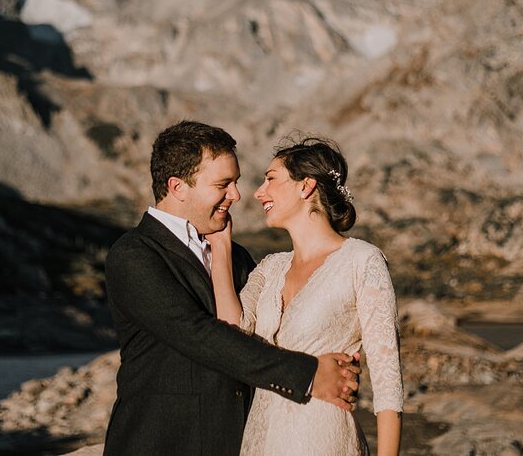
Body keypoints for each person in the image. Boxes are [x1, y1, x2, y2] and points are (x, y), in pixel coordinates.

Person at [103, 121, 360, 456]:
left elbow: (267, 328)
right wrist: (310, 374)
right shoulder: (134, 255)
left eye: (236, 182)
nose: (236, 195)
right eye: (223, 184)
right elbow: (197, 334)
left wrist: (342, 353)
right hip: (163, 443)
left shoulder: (237, 255)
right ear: (177, 187)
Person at [210, 137, 403, 456]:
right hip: (261, 441)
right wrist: (220, 247)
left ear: (306, 186)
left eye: (270, 178)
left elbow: (388, 385)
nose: (258, 192)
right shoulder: (270, 268)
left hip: (323, 440)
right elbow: (231, 332)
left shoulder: (361, 261)